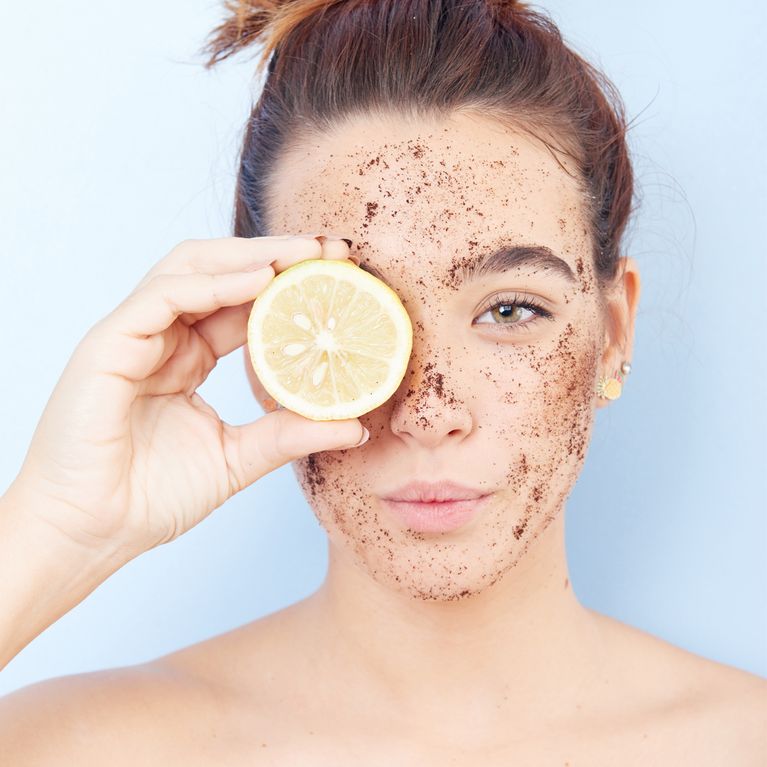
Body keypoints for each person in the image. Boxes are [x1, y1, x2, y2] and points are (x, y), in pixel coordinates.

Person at [0, 0, 764, 762]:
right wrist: (58, 529)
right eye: (355, 313)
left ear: (612, 334)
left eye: (509, 308)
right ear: (268, 337)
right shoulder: (75, 745)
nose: (428, 411)